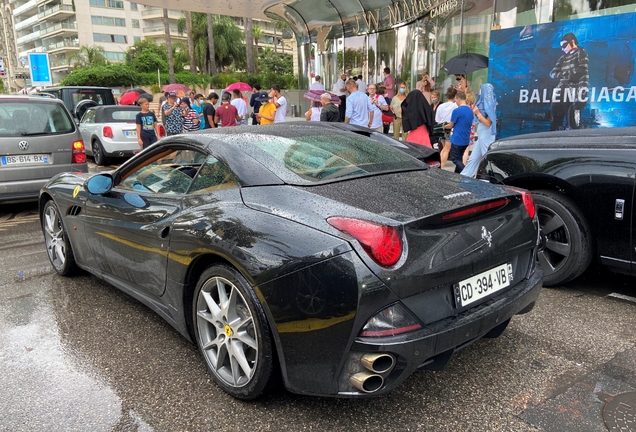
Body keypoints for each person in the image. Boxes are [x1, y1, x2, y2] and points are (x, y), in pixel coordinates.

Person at [549, 32, 589, 130]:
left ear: (572, 42)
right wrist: (565, 75)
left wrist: (582, 93)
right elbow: (553, 73)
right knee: (555, 115)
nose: (562, 48)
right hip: (561, 90)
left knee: (572, 118)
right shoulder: (563, 58)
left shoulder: (581, 52)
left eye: (564, 45)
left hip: (574, 91)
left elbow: (582, 70)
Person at [462, 84, 497, 177]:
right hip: (482, 133)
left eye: (481, 90)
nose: (479, 92)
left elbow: (488, 123)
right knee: (473, 158)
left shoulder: (492, 106)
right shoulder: (483, 104)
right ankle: (464, 176)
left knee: (487, 157)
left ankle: (493, 177)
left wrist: (478, 113)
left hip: (487, 133)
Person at [444, 91, 474, 173]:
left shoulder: (457, 111)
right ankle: (457, 174)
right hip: (466, 139)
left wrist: (444, 126)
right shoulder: (470, 111)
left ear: (459, 99)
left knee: (455, 159)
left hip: (457, 139)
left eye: (455, 100)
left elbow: (450, 125)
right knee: (459, 158)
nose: (455, 102)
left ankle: (467, 172)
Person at [435, 87, 458, 168]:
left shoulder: (440, 106)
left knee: (443, 148)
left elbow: (437, 120)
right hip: (451, 130)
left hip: (441, 129)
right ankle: (441, 167)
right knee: (446, 150)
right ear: (455, 96)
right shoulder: (456, 106)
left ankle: (439, 165)